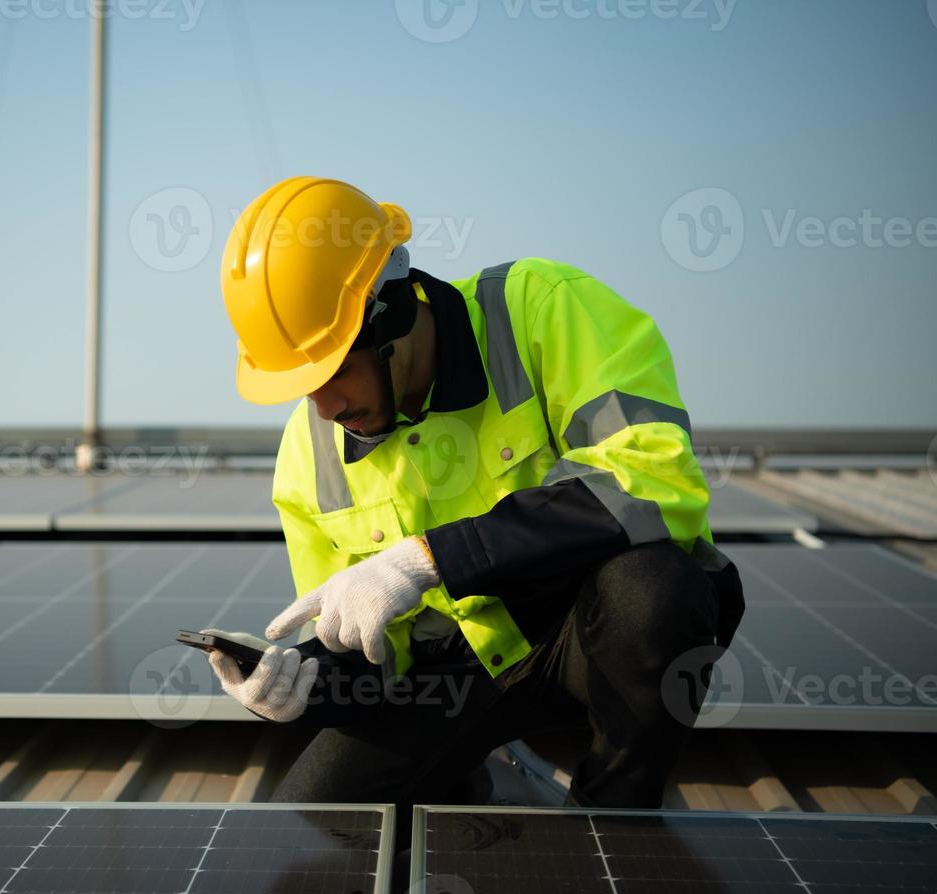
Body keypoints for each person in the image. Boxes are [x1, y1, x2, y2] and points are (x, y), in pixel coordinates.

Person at [203, 176, 745, 812]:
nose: (325, 407)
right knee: (328, 817)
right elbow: (370, 654)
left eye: (337, 369)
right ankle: (466, 792)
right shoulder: (309, 454)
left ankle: (610, 821)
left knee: (654, 588)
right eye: (304, 385)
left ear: (396, 309)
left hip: (580, 628)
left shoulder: (542, 309)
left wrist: (430, 559)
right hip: (456, 672)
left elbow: (655, 478)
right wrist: (304, 689)